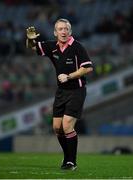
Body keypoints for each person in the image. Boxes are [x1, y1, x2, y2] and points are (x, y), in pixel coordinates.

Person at [26, 18, 93, 170]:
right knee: (57, 128)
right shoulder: (52, 46)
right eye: (60, 29)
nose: (63, 31)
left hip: (77, 90)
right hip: (61, 91)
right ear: (55, 32)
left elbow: (88, 68)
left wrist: (69, 76)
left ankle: (71, 161)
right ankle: (67, 156)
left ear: (70, 31)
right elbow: (33, 47)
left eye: (66, 29)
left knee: (67, 124)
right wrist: (30, 40)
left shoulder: (77, 47)